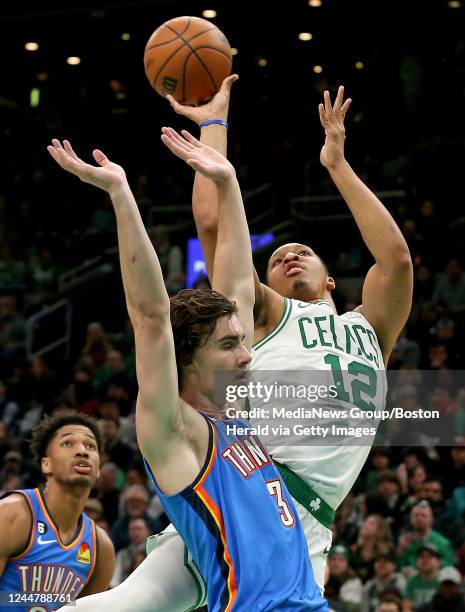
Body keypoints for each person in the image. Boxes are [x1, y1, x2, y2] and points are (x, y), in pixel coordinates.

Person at [63, 81, 413, 610]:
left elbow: (398, 262)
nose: (290, 256)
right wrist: (214, 128)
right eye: (277, 257)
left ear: (333, 281)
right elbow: (213, 224)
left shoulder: (373, 329)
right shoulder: (266, 315)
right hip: (237, 482)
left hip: (306, 524)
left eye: (303, 251)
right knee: (129, 603)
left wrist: (337, 166)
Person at [48, 133, 326, 611]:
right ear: (187, 359)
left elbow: (238, 280)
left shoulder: (233, 410)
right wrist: (120, 193)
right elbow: (151, 316)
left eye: (242, 341)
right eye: (229, 345)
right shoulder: (177, 433)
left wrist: (230, 184)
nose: (246, 355)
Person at [0, 410, 115, 610]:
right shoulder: (12, 514)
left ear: (98, 471)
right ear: (46, 464)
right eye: (68, 443)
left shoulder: (101, 546)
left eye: (90, 446)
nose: (82, 451)